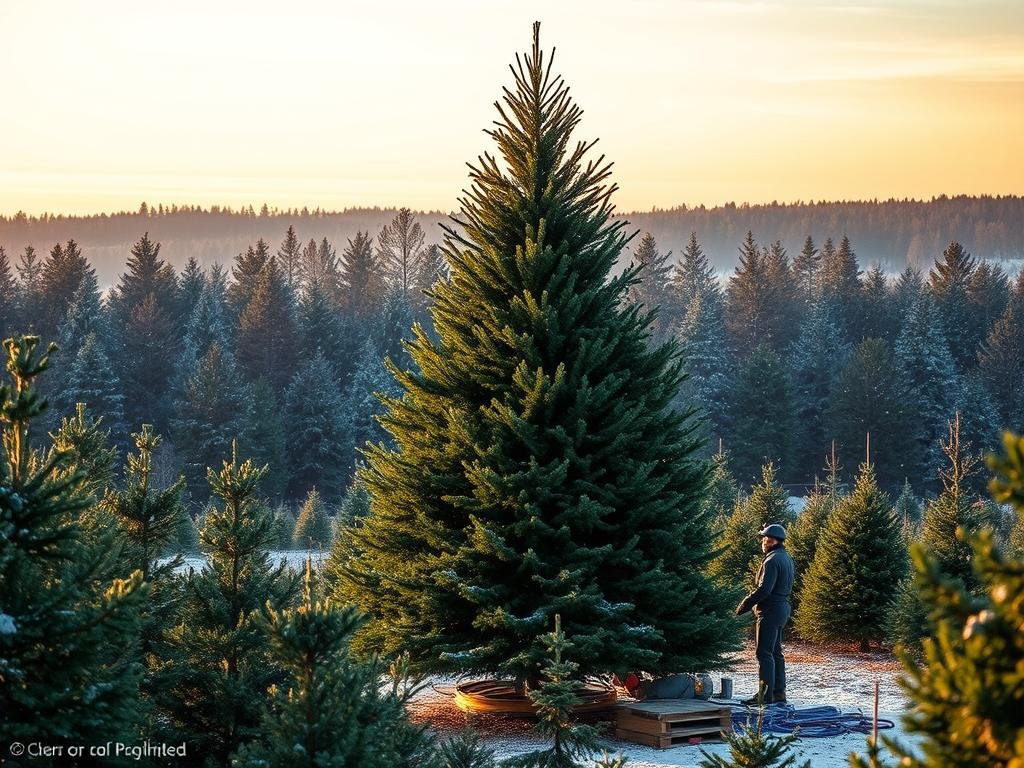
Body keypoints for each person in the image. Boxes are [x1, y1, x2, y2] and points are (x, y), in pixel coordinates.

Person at [735, 523, 795, 705]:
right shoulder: (786, 557)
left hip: (769, 611)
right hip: (782, 609)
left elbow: (764, 590)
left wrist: (744, 605)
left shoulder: (772, 560)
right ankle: (779, 693)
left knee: (764, 653)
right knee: (776, 652)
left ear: (771, 540)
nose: (762, 541)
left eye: (764, 538)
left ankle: (764, 696)